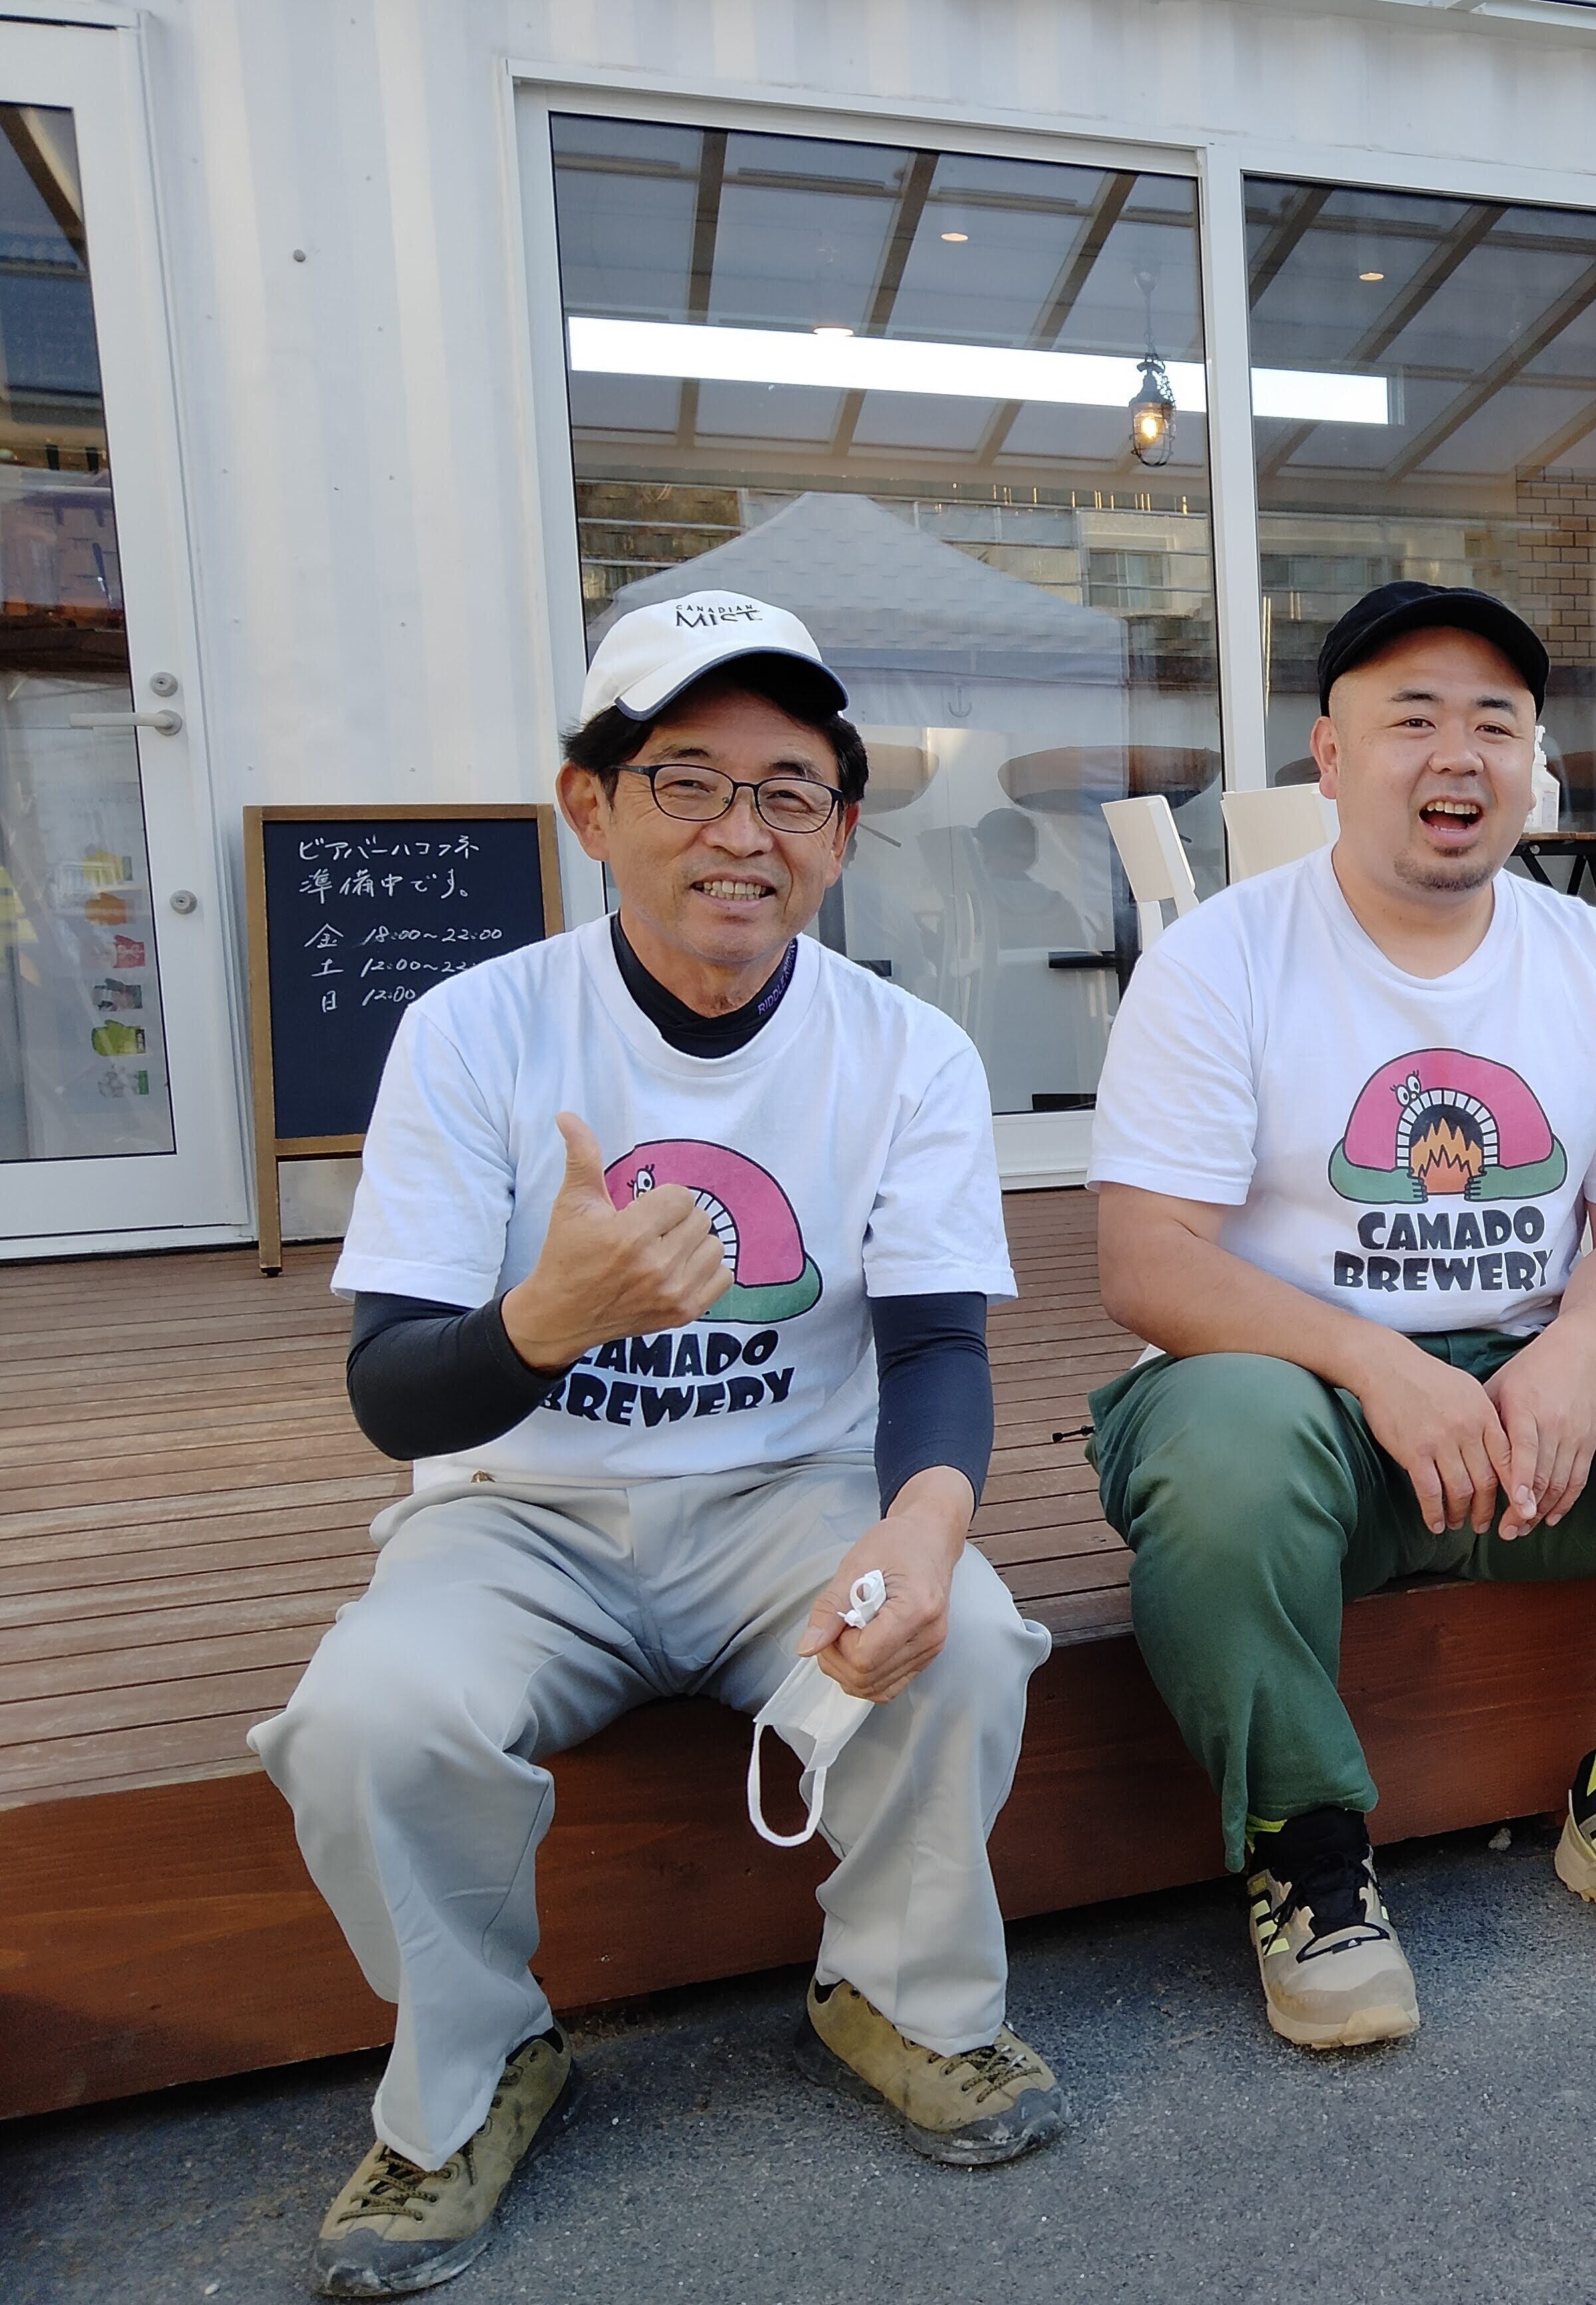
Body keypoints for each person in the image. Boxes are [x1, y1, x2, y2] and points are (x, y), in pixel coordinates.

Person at [253, 594, 1058, 2300]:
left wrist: (923, 1530)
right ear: (589, 806)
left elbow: (933, 1346)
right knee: (367, 1716)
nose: (740, 834)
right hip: (520, 1512)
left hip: (792, 1498)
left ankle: (902, 1999)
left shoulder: (907, 1050)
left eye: (788, 793)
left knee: (971, 1634)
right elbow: (393, 1394)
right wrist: (546, 1320)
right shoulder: (474, 1030)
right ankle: (474, 2072)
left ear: (839, 834)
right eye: (686, 781)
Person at [1083, 582, 1596, 2050]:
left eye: (1495, 724)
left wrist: (1573, 1354)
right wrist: (1376, 1364)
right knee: (1222, 1444)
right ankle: (1307, 1848)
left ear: (1531, 762)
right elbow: (1144, 1262)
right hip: (1303, 1410)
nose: (1458, 756)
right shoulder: (1220, 958)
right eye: (1412, 720)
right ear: (1329, 756)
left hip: (1531, 1425)